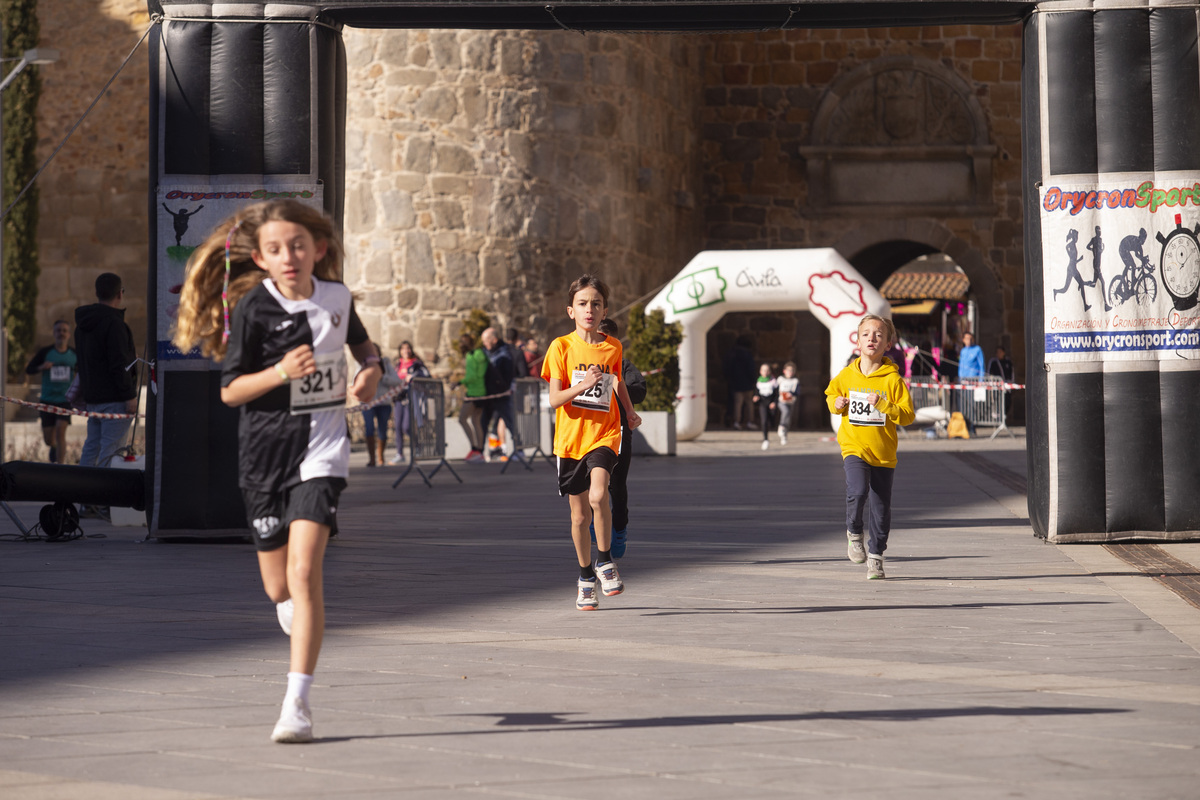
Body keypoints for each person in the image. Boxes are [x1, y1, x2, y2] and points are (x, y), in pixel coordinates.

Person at [172, 198, 383, 743]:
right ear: (261, 259)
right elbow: (229, 391)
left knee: (304, 572)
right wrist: (280, 371)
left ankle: (297, 704)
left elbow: (366, 350)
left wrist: (371, 374)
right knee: (277, 588)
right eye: (275, 249)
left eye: (297, 245)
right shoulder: (253, 309)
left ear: (319, 249)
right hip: (263, 457)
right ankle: (291, 611)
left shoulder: (338, 298)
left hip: (322, 451)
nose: (288, 256)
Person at [542, 274, 641, 610]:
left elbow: (616, 383)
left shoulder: (612, 346)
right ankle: (585, 577)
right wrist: (582, 386)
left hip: (605, 434)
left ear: (604, 311)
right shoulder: (561, 347)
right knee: (579, 517)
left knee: (600, 495)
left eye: (595, 304)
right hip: (570, 440)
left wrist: (628, 412)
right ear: (571, 310)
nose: (589, 309)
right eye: (582, 304)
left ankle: (604, 560)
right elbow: (555, 399)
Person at [825, 314, 915, 580]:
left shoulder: (892, 380)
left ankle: (876, 557)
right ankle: (854, 533)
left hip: (884, 454)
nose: (872, 338)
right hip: (854, 446)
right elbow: (831, 394)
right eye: (866, 334)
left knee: (881, 509)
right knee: (857, 489)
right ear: (858, 340)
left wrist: (884, 405)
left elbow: (908, 416)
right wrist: (836, 404)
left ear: (888, 344)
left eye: (878, 335)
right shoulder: (847, 374)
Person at [74, 272, 138, 470]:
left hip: (93, 399)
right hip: (115, 399)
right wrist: (129, 396)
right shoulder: (114, 324)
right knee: (110, 452)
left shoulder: (82, 325)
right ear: (120, 294)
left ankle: (83, 495)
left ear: (97, 293)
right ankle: (100, 500)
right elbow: (119, 363)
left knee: (91, 448)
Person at [595, 318, 646, 558]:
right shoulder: (586, 365)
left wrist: (617, 386)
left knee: (616, 483)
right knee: (591, 484)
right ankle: (597, 523)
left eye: (602, 339)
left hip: (619, 432)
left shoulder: (623, 365)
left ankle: (619, 529)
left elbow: (638, 390)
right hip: (592, 433)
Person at [24, 319, 77, 463]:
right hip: (47, 400)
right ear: (53, 333)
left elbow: (82, 373)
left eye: (64, 331)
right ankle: (53, 447)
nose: (61, 333)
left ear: (69, 334)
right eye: (58, 330)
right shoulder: (45, 352)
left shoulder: (74, 354)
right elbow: (29, 369)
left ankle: (60, 468)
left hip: (65, 400)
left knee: (61, 431)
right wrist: (42, 367)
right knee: (48, 439)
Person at [360, 343, 401, 467]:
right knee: (369, 428)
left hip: (383, 402)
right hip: (368, 402)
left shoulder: (386, 364)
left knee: (383, 430)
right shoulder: (362, 363)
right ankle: (372, 458)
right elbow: (356, 380)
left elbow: (397, 380)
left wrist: (383, 377)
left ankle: (380, 457)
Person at [480, 327, 516, 461]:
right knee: (484, 423)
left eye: (486, 341)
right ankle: (481, 452)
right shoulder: (484, 352)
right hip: (487, 395)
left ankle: (519, 450)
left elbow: (508, 374)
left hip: (502, 394)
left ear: (494, 340)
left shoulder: (505, 353)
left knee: (509, 422)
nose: (484, 344)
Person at [390, 341, 429, 464]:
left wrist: (413, 378)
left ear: (411, 350)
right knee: (398, 427)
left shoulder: (417, 364)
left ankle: (417, 446)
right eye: (403, 349)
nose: (405, 351)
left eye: (407, 348)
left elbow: (427, 377)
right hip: (398, 398)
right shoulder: (397, 365)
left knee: (406, 426)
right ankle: (400, 453)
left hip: (412, 397)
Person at [458, 332, 488, 463]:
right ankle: (479, 451)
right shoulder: (481, 354)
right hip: (483, 392)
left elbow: (472, 376)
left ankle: (475, 448)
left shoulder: (471, 356)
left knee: (462, 419)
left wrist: (460, 382)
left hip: (474, 393)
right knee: (476, 421)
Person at [723, 334, 757, 429]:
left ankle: (736, 422)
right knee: (749, 403)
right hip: (747, 383)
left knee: (737, 403)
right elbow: (751, 369)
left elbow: (727, 368)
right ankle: (750, 421)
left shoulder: (731, 354)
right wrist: (753, 380)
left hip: (735, 382)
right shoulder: (748, 355)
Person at [957, 332, 985, 435]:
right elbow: (961, 366)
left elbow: (982, 365)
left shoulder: (977, 350)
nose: (968, 340)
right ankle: (964, 427)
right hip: (963, 382)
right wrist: (960, 379)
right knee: (963, 405)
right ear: (963, 340)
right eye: (966, 339)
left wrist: (981, 381)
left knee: (971, 405)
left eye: (970, 338)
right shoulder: (963, 351)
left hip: (973, 382)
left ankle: (972, 427)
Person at [752, 362, 777, 451]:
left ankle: (772, 426)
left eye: (767, 370)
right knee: (764, 421)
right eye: (763, 370)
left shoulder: (773, 381)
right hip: (763, 403)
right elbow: (757, 392)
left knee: (771, 420)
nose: (765, 372)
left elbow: (776, 394)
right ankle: (765, 439)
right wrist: (756, 397)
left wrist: (774, 402)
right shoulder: (759, 381)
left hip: (771, 403)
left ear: (770, 371)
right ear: (760, 371)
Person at [987, 345, 1015, 420]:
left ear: (1003, 352)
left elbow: (1012, 373)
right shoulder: (993, 362)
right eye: (997, 352)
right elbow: (989, 373)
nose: (998, 354)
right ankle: (998, 418)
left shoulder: (1008, 362)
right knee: (997, 401)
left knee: (1007, 402)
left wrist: (1011, 383)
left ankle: (1004, 416)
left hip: (1006, 386)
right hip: (997, 386)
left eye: (1000, 352)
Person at [775, 361, 799, 446]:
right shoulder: (780, 380)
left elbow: (797, 392)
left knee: (788, 418)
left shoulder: (795, 381)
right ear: (784, 371)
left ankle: (784, 436)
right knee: (785, 412)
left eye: (792, 371)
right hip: (782, 401)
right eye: (788, 370)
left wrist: (791, 394)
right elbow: (775, 390)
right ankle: (781, 426)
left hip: (790, 401)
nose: (790, 372)